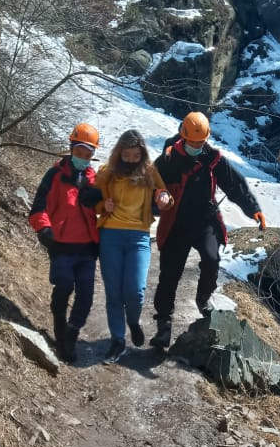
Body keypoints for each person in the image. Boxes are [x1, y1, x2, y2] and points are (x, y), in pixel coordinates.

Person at [150, 111, 267, 350]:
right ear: (182, 136)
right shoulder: (168, 159)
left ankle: (203, 300)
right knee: (169, 275)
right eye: (192, 141)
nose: (196, 145)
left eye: (200, 142)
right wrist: (154, 206)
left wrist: (252, 208)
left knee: (212, 260)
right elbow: (151, 188)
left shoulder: (213, 159)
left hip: (205, 222)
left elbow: (234, 184)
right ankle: (164, 325)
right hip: (176, 224)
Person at [94, 129, 173, 364]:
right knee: (114, 293)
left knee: (136, 291)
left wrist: (165, 199)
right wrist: (102, 205)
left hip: (139, 237)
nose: (129, 160)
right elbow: (91, 200)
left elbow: (164, 194)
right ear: (119, 153)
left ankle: (133, 321)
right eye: (126, 155)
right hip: (110, 236)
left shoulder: (150, 171)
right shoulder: (107, 173)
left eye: (134, 156)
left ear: (142, 155)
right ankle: (118, 341)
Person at [29, 122, 101, 363]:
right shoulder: (55, 175)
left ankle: (70, 334)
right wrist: (43, 228)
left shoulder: (95, 180)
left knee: (86, 296)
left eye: (89, 153)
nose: (84, 157)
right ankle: (59, 323)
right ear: (71, 148)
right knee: (63, 284)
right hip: (61, 243)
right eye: (80, 151)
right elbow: (38, 206)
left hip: (88, 247)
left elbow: (106, 208)